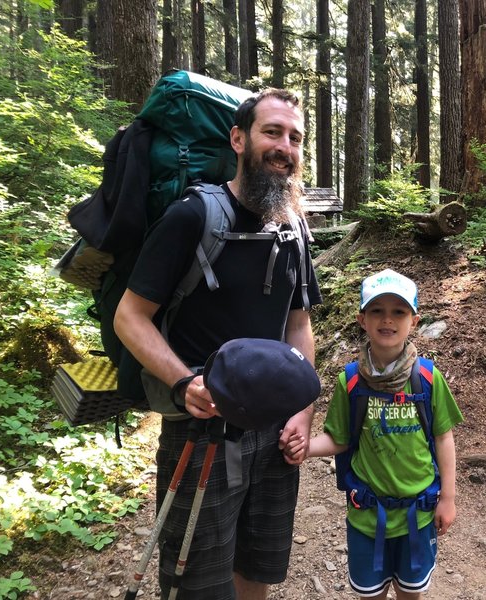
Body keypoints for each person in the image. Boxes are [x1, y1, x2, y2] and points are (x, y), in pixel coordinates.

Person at [113, 88, 322, 599]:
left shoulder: (292, 228)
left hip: (273, 432)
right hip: (200, 431)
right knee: (198, 584)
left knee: (258, 566)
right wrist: (183, 382)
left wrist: (303, 409)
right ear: (238, 138)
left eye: (294, 138)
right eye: (272, 131)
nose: (284, 146)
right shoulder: (192, 217)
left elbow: (298, 328)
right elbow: (130, 316)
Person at [283, 269, 463, 599]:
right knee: (371, 593)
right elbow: (340, 439)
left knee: (411, 592)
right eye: (377, 311)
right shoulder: (350, 382)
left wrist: (448, 499)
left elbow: (443, 437)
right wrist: (305, 448)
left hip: (418, 515)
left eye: (399, 312)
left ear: (414, 320)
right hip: (367, 517)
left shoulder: (427, 378)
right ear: (362, 319)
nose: (388, 320)